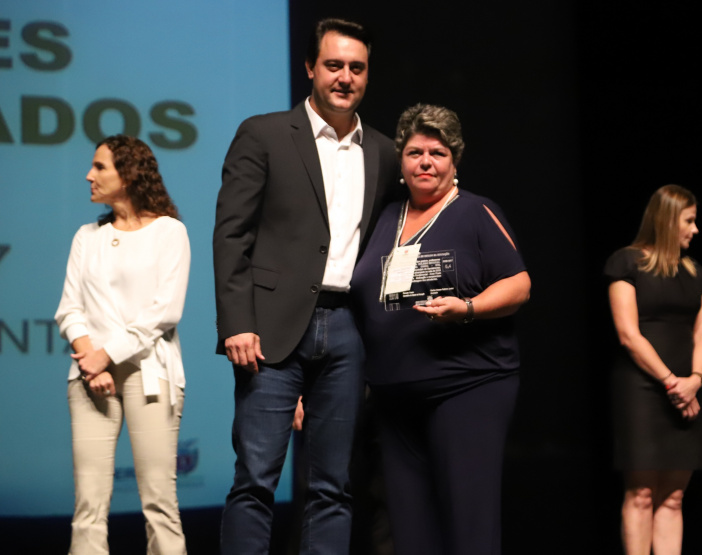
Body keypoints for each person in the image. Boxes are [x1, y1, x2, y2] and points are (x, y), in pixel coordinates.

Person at [213, 17, 399, 554]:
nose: (345, 77)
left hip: (347, 331)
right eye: (334, 65)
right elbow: (231, 236)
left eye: (356, 68)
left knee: (332, 487)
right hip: (269, 331)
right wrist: (238, 324)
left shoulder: (382, 152)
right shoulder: (265, 133)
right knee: (255, 480)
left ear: (367, 75)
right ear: (310, 68)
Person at [350, 104, 530, 555]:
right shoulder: (385, 219)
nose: (425, 162)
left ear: (454, 162)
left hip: (466, 387)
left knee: (468, 525)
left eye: (438, 153)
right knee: (409, 531)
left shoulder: (475, 212)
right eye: (414, 152)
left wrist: (468, 308)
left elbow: (520, 284)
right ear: (401, 160)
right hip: (394, 400)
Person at [55, 135, 190, 554]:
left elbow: (163, 311)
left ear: (128, 174)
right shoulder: (86, 237)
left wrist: (103, 356)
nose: (89, 175)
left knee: (159, 502)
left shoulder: (170, 232)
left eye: (99, 167)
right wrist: (90, 362)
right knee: (88, 505)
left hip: (151, 372)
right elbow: (69, 310)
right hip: (89, 376)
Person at [604, 184, 702, 555]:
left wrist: (694, 381)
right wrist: (671, 383)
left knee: (674, 497)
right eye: (689, 221)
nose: (695, 230)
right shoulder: (627, 263)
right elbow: (628, 334)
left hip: (688, 393)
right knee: (642, 493)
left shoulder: (695, 272)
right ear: (668, 220)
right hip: (643, 389)